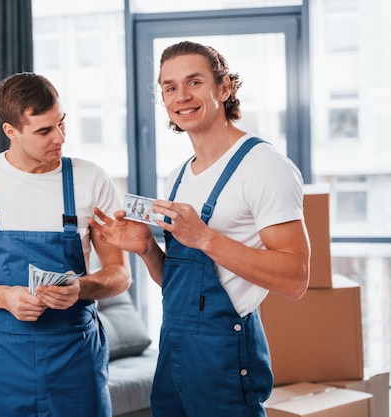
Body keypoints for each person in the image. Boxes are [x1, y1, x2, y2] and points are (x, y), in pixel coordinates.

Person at [90, 41, 310, 417]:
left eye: (194, 82)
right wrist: (146, 249)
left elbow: (295, 278)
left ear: (224, 89)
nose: (181, 97)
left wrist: (206, 237)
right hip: (174, 345)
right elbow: (179, 285)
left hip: (224, 351)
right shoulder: (177, 176)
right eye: (170, 87)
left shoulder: (265, 166)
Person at [0, 72, 131, 417]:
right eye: (44, 131)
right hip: (0, 361)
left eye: (62, 124)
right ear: (11, 131)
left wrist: (81, 287)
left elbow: (120, 274)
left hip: (75, 356)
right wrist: (2, 296)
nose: (60, 138)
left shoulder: (90, 179)